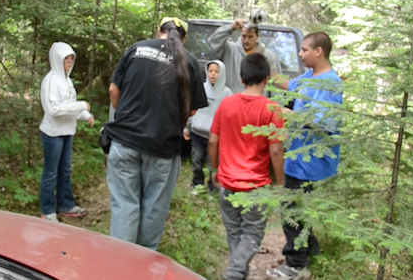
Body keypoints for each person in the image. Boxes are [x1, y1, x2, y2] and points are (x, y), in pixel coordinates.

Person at [105, 17, 208, 250]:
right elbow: (192, 109)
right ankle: (142, 265)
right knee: (154, 209)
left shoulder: (136, 49)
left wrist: (124, 118)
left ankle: (118, 265)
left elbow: (114, 88)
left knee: (125, 205)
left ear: (158, 31)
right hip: (163, 148)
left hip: (125, 142)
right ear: (184, 38)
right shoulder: (189, 61)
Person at [266, 32, 343, 280]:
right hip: (297, 159)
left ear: (318, 51)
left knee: (292, 212)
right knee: (298, 209)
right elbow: (289, 85)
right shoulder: (310, 76)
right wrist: (263, 69)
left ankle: (296, 265)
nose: (300, 54)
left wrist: (287, 115)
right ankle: (312, 250)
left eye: (304, 50)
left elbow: (323, 122)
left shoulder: (330, 83)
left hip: (311, 163)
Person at [209, 53, 285, 280]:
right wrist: (280, 182)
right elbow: (275, 150)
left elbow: (213, 140)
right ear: (266, 79)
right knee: (251, 234)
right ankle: (234, 274)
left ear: (242, 79)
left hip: (228, 182)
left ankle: (237, 273)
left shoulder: (226, 104)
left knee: (234, 232)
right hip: (256, 185)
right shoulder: (272, 109)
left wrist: (214, 170)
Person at [39, 42, 95, 222]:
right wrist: (82, 105)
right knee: (51, 172)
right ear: (57, 59)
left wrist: (85, 115)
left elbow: (71, 107)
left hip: (67, 132)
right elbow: (53, 109)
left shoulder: (67, 81)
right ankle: (47, 211)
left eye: (72, 58)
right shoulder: (50, 80)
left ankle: (65, 205)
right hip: (52, 133)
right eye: (66, 59)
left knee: (65, 171)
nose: (70, 62)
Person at [183, 60, 232, 195]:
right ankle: (197, 184)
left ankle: (213, 187)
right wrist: (187, 127)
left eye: (216, 72)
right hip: (197, 132)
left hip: (215, 136)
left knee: (213, 163)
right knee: (196, 160)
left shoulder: (227, 93)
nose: (213, 74)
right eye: (210, 71)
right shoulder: (201, 88)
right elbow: (191, 108)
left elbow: (229, 115)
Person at [208, 10, 282, 94]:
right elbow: (213, 41)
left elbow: (276, 86)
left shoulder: (268, 57)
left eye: (250, 37)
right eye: (244, 36)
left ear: (257, 36)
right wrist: (231, 28)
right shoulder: (230, 50)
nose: (246, 40)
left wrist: (275, 106)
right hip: (233, 103)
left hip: (258, 105)